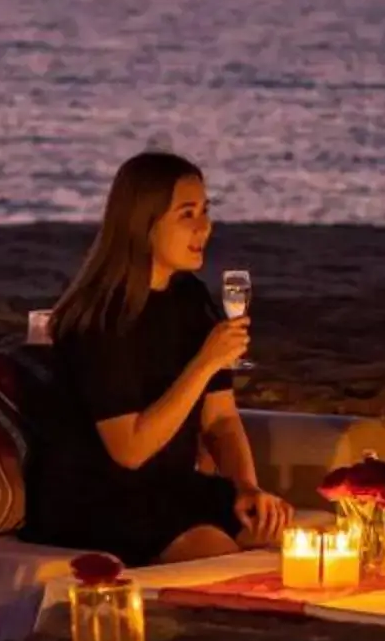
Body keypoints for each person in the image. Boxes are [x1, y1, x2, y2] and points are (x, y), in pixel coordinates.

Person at [23, 152, 293, 564]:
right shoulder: (103, 317)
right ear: (144, 224)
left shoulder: (191, 298)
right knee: (213, 552)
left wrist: (246, 487)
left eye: (205, 210)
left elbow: (220, 419)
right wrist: (203, 363)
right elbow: (129, 449)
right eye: (187, 214)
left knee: (282, 531)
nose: (204, 226)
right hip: (95, 497)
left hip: (169, 486)